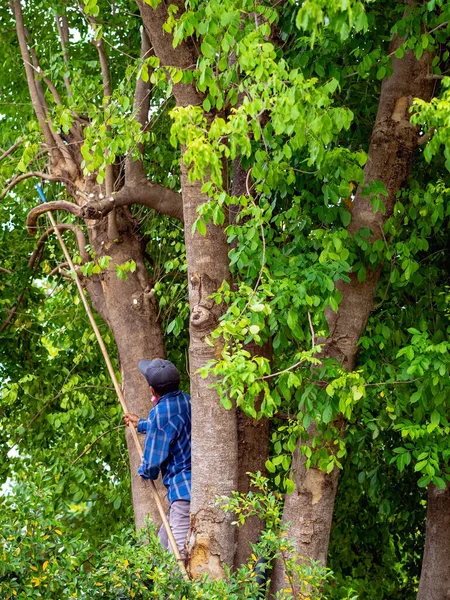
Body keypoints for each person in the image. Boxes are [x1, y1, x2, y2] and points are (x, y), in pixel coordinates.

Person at [123, 358, 191, 560]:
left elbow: (152, 465)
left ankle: (177, 592)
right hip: (196, 488)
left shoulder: (160, 413)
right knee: (162, 542)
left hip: (183, 494)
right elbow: (171, 427)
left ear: (152, 390)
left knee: (175, 561)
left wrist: (144, 471)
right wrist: (142, 424)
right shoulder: (187, 400)